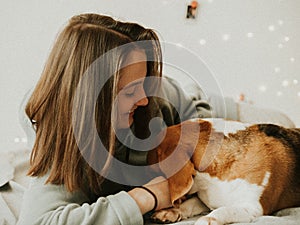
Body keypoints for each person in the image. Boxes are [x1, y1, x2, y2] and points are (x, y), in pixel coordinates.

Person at [17, 13, 234, 225]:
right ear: (91, 98)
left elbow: (207, 126)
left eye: (144, 84)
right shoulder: (56, 130)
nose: (144, 100)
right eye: (129, 92)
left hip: (198, 110)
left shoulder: (155, 99)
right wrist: (145, 196)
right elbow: (38, 220)